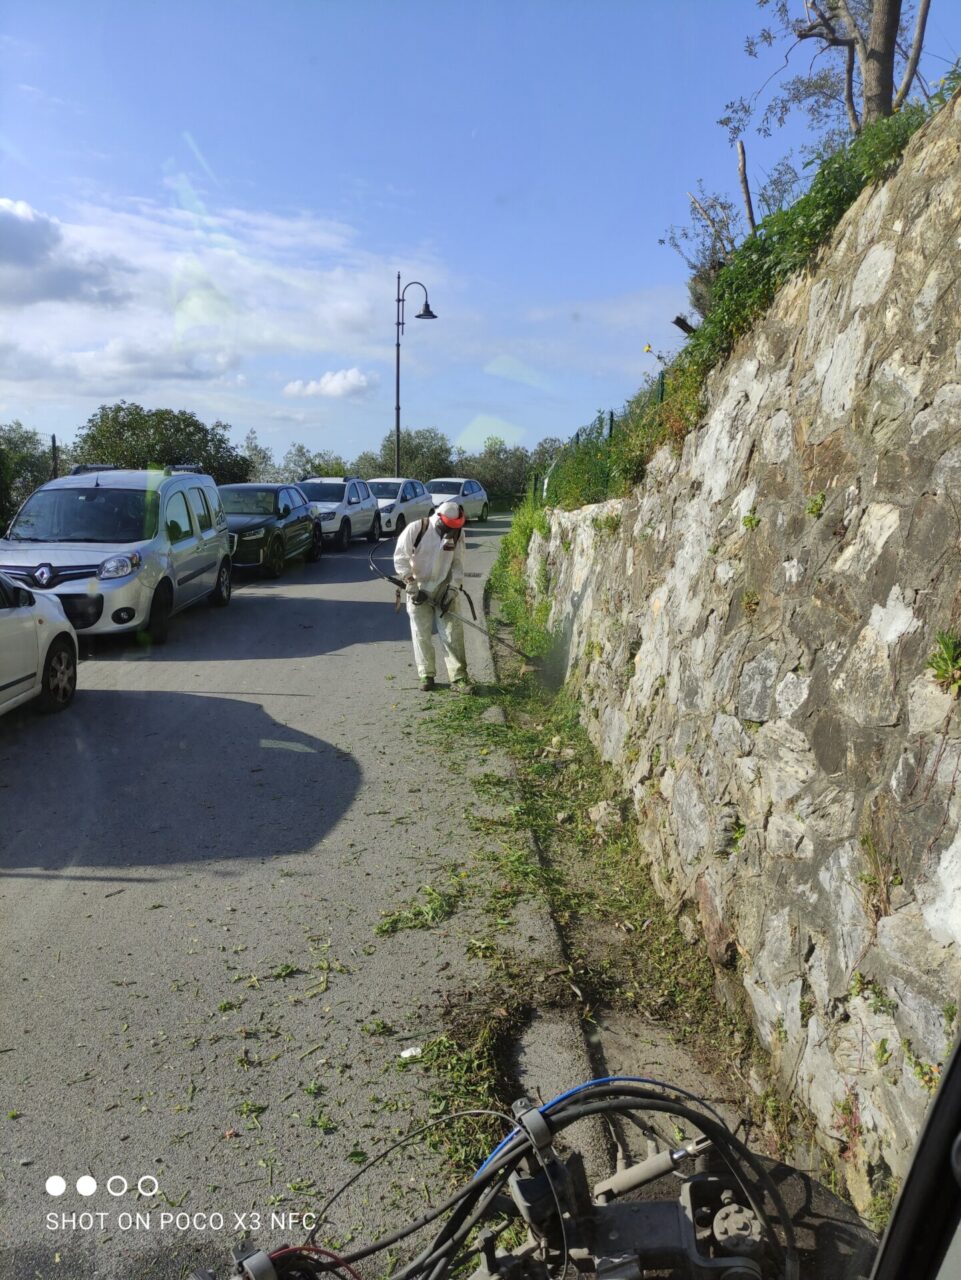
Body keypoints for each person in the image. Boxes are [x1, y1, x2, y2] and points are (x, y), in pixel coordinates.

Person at [393, 501, 471, 692]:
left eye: (455, 528)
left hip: (444, 586)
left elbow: (458, 564)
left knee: (452, 632)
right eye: (449, 527)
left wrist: (453, 589)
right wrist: (410, 583)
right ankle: (426, 674)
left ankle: (459, 677)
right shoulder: (417, 529)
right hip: (419, 586)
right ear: (439, 519)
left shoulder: (458, 533)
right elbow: (400, 558)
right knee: (421, 633)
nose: (451, 532)